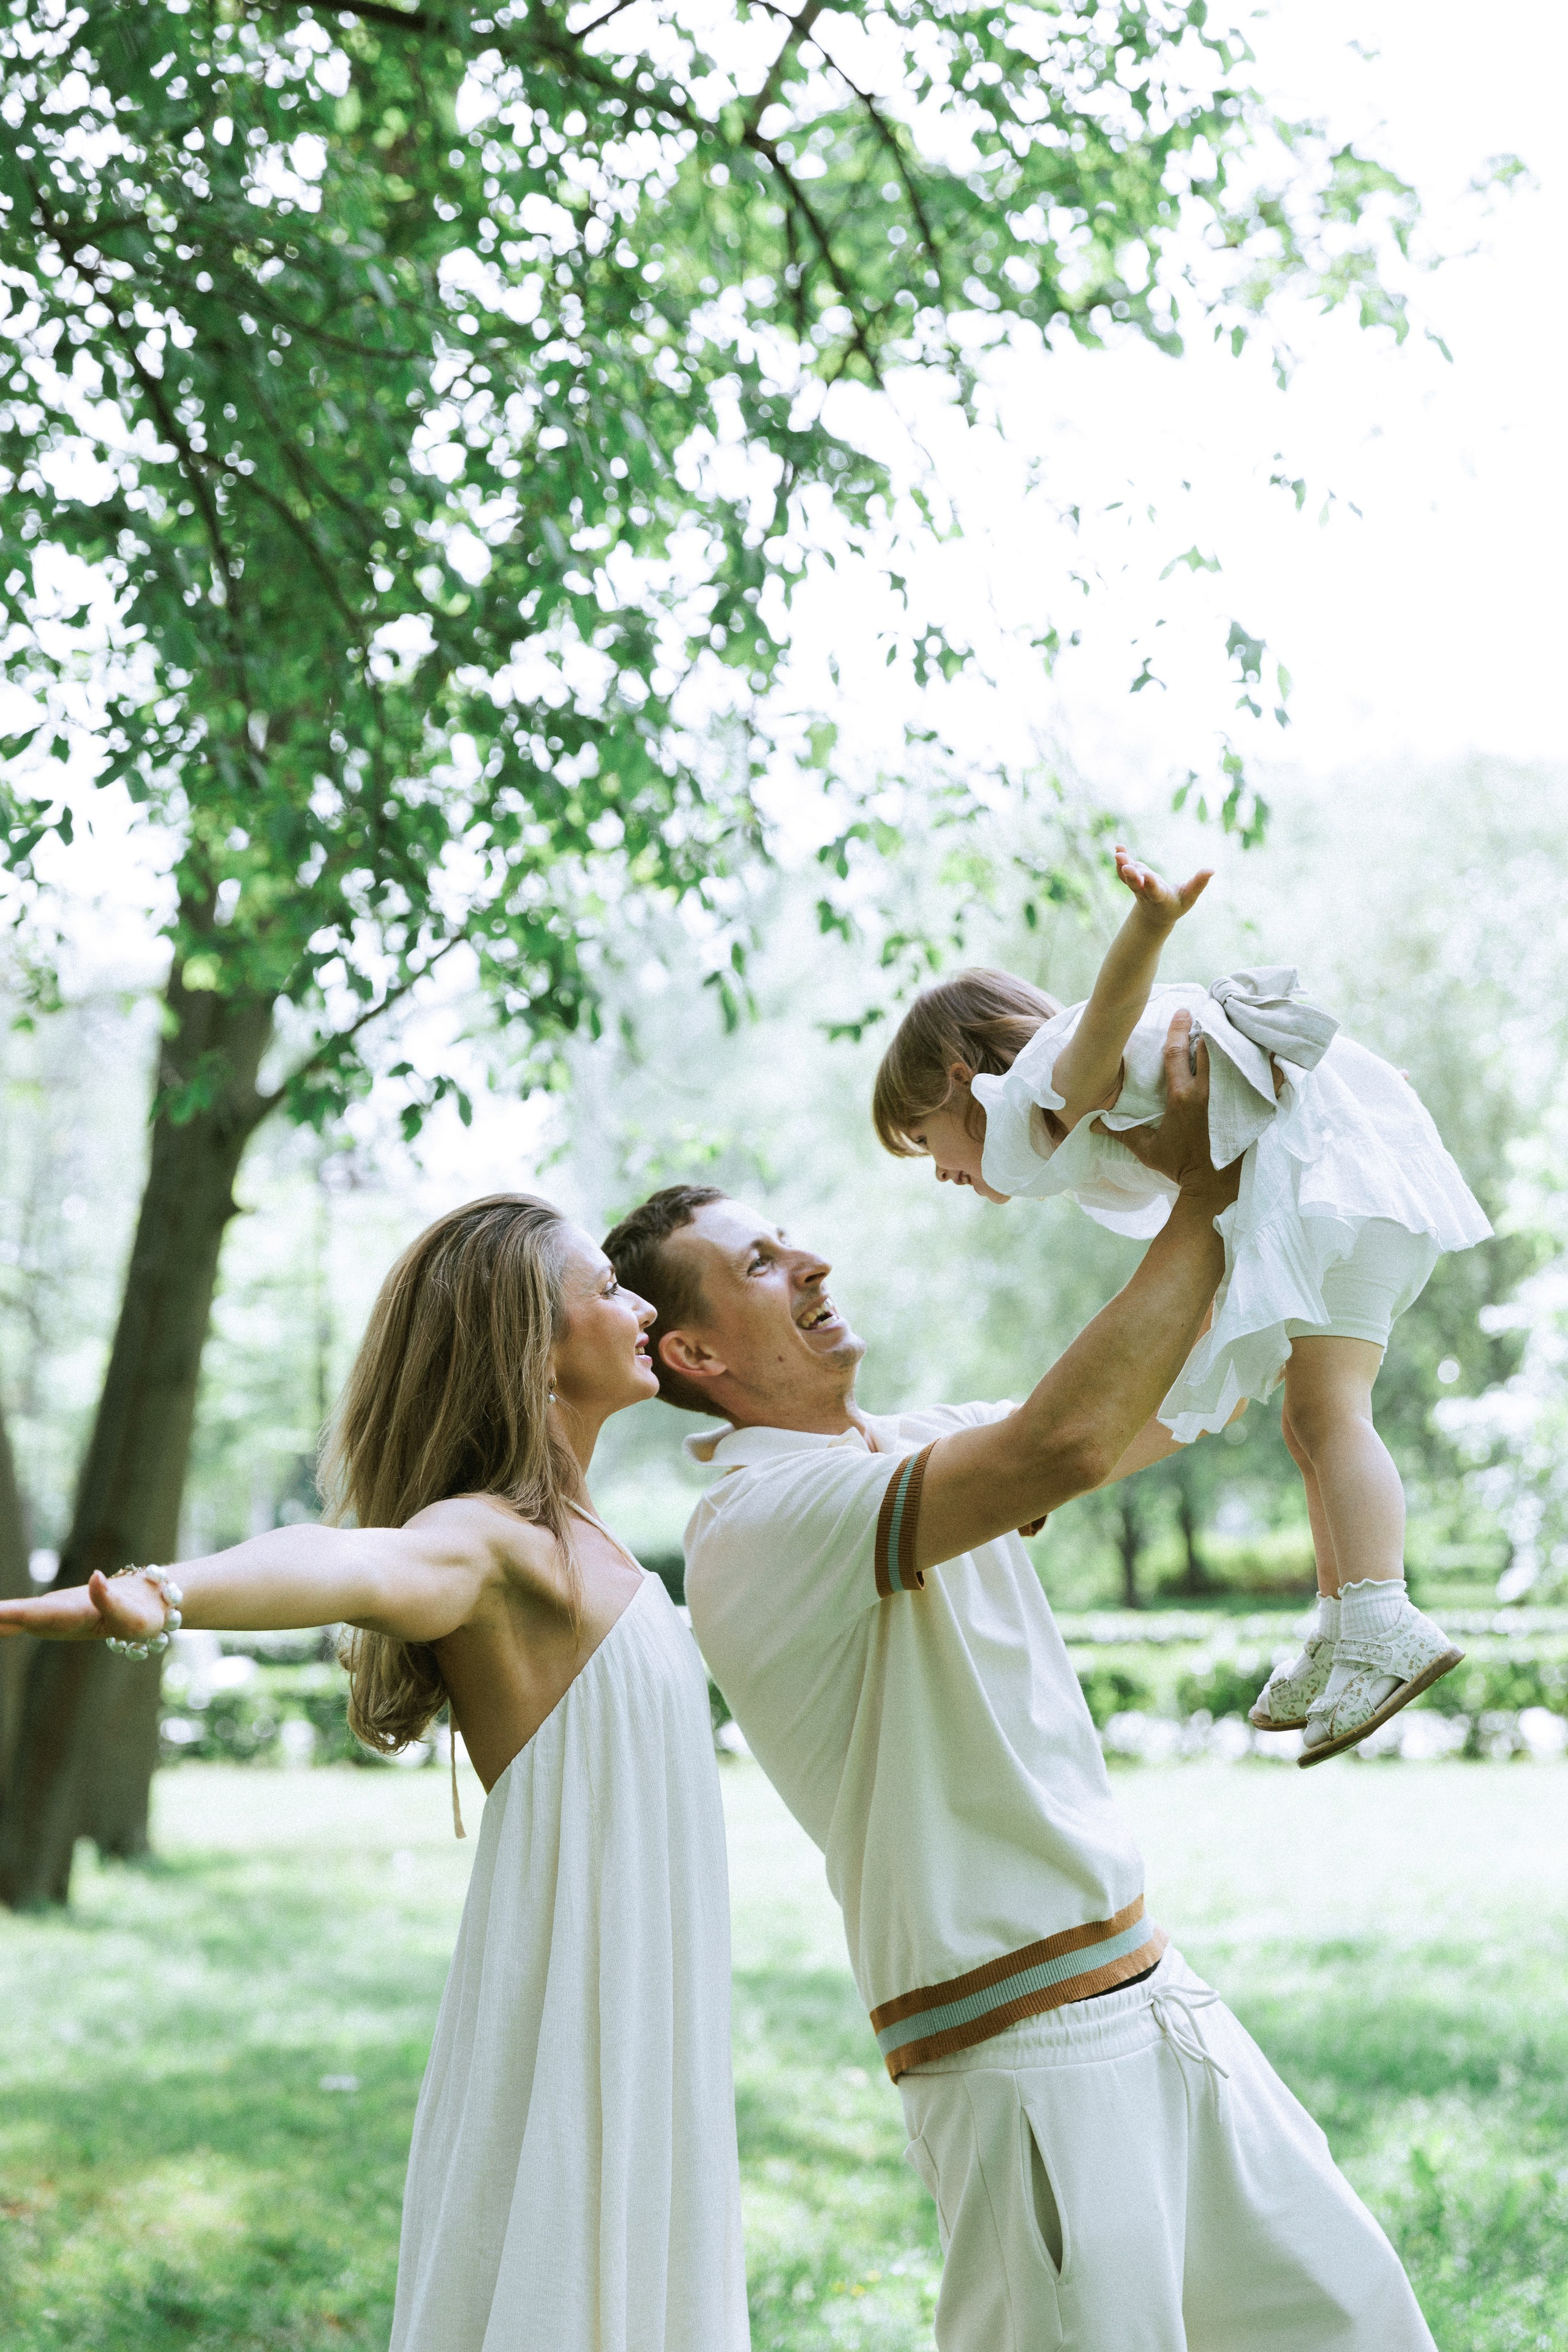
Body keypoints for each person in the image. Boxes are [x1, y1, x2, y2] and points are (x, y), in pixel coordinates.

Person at [603, 1027, 1438, 2352]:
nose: (811, 1262)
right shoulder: (758, 1517)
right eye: (759, 1265)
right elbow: (1062, 1443)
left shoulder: (910, 1445)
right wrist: (1205, 1204)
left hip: (1154, 1992)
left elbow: (1168, 1401)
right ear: (693, 1356)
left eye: (791, 1239)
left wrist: (1270, 1159)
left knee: (1352, 2327)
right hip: (1016, 2054)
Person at [0, 1194, 750, 2352]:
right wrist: (173, 1592)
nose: (642, 1304)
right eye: (608, 1288)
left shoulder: (594, 1544)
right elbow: (354, 1561)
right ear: (533, 1349)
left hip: (655, 2008)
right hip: (576, 2018)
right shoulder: (496, 1541)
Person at [870, 847, 1491, 1762]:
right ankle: (1342, 1618)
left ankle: (1382, 1614)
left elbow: (1110, 1010)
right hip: (1347, 1194)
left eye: (927, 1142)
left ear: (965, 1080)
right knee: (1309, 1423)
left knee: (1327, 1414)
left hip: (1335, 1204)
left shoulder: (1050, 1084)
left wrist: (1150, 923)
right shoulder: (1093, 1110)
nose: (944, 1174)